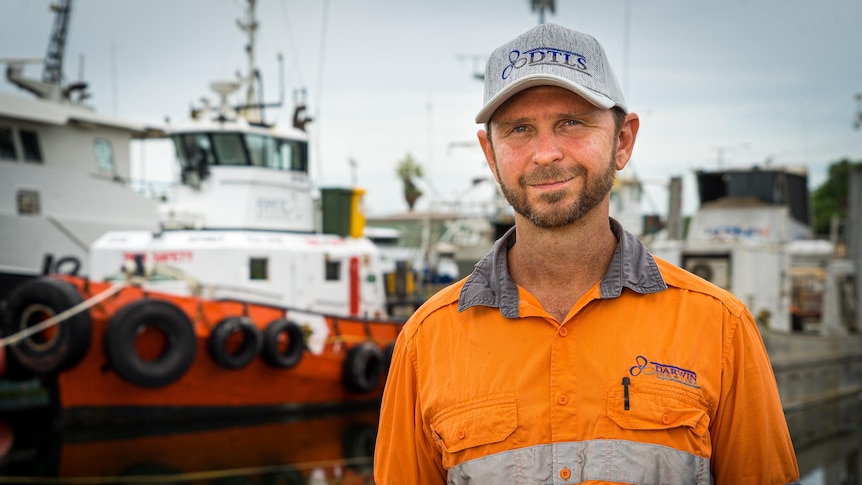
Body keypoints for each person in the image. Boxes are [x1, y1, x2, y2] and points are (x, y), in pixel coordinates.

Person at [374, 23, 800, 485]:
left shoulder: (720, 328)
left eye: (571, 123)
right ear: (491, 154)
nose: (545, 154)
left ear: (622, 140)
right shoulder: (426, 342)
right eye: (519, 129)